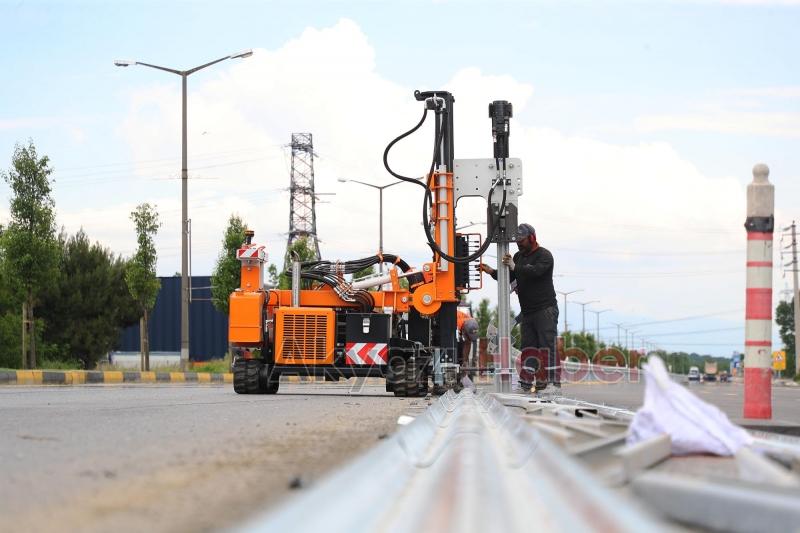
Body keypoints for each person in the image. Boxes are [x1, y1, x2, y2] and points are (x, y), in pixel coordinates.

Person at [479, 223, 559, 392]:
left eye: (522, 241)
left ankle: (553, 384)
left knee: (547, 346)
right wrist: (492, 272)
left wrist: (515, 267)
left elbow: (535, 272)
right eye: (517, 241)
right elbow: (511, 277)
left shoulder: (544, 256)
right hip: (528, 312)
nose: (519, 244)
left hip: (545, 309)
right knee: (528, 349)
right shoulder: (518, 256)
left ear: (532, 238)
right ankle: (526, 384)